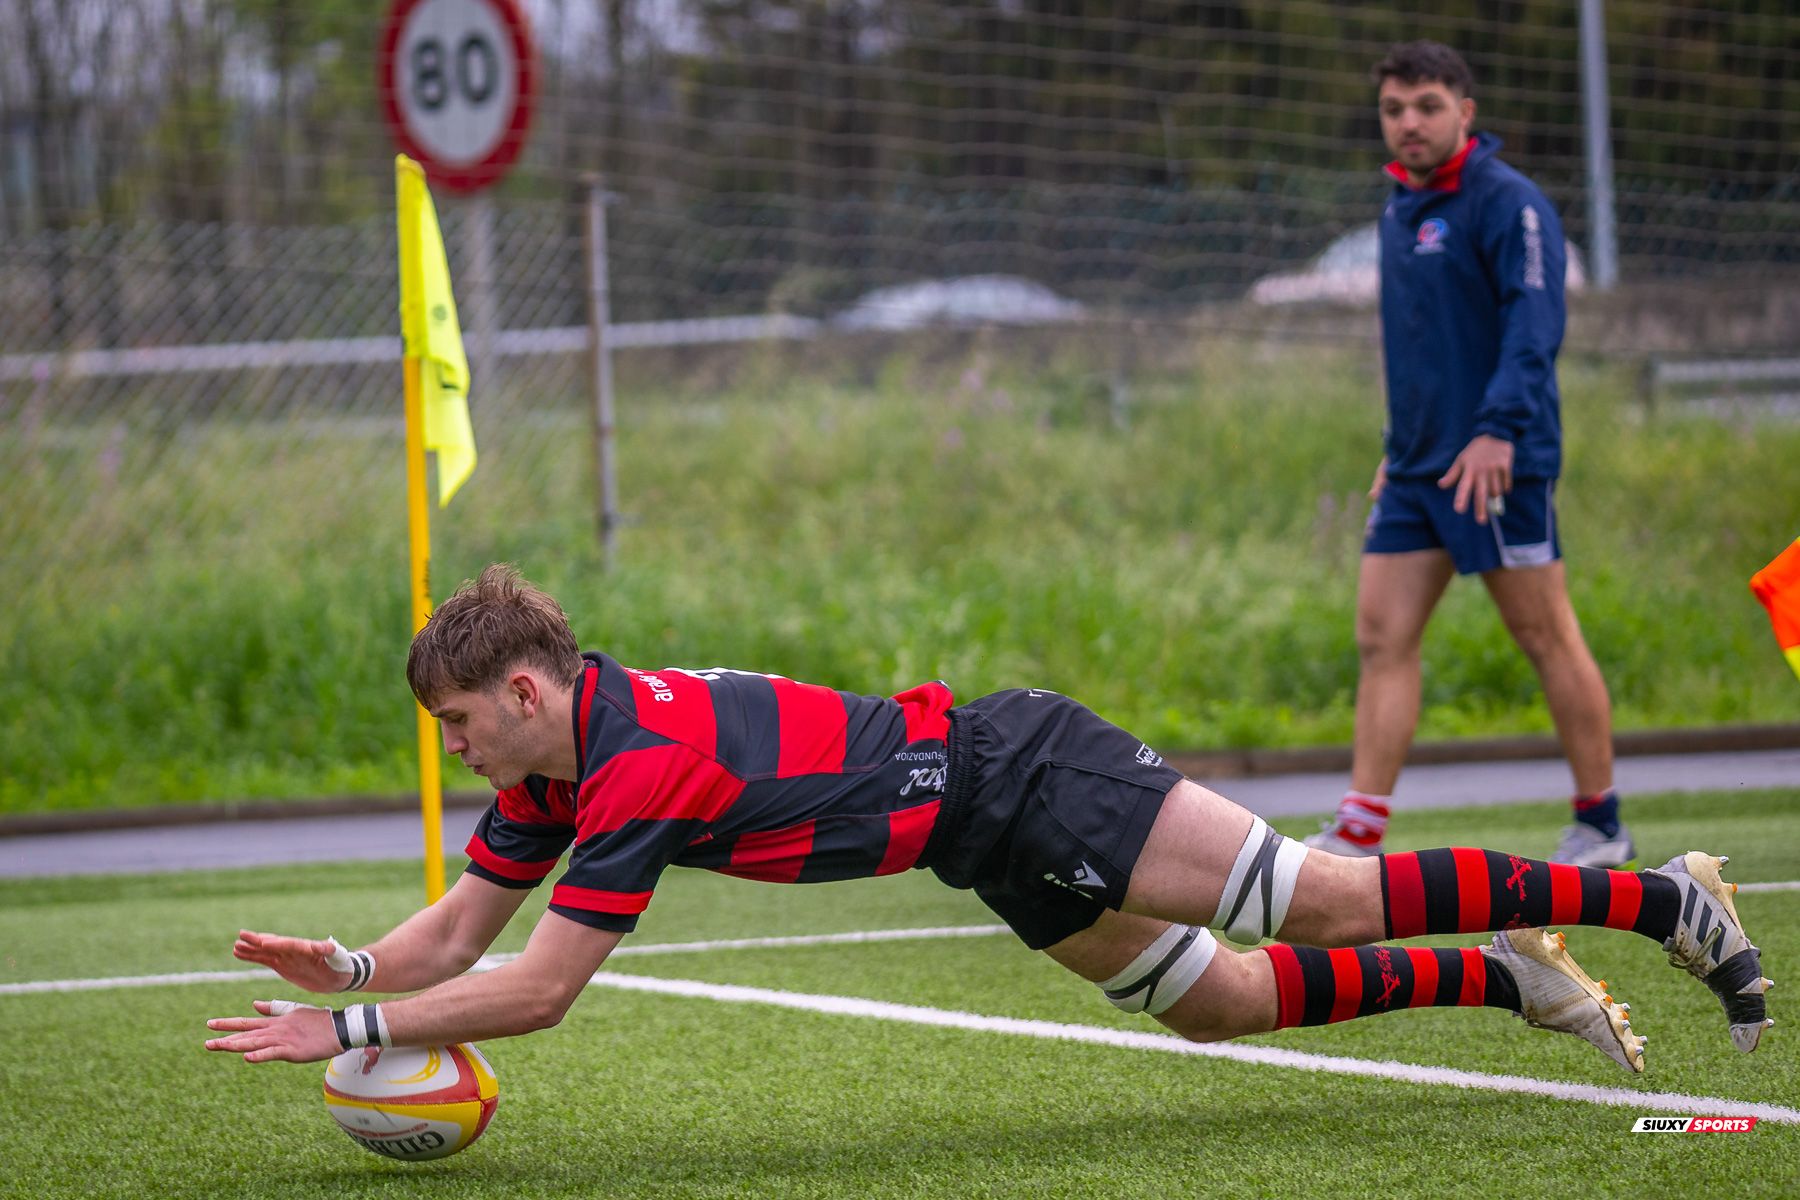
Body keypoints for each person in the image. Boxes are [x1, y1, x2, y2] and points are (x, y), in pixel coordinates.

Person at [205, 565, 1771, 1075]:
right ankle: (1505, 970)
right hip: (974, 837)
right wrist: (351, 973)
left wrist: (352, 1043)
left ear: (533, 694)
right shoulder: (559, 768)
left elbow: (538, 990)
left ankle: (1665, 899)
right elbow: (458, 931)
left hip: (1018, 769)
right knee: (1217, 1007)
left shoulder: (635, 766)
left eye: (467, 728)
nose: (465, 756)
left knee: (1314, 899)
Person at [1305, 41, 1631, 869]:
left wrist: (1497, 432)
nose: (1408, 123)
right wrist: (1397, 446)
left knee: (1542, 632)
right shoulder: (1396, 210)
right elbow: (1418, 348)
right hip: (1417, 470)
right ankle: (1359, 829)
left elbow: (1534, 325)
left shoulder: (1509, 203)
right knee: (1382, 635)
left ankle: (1601, 821)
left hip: (1498, 461)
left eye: (1426, 106)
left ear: (1465, 113)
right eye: (1393, 109)